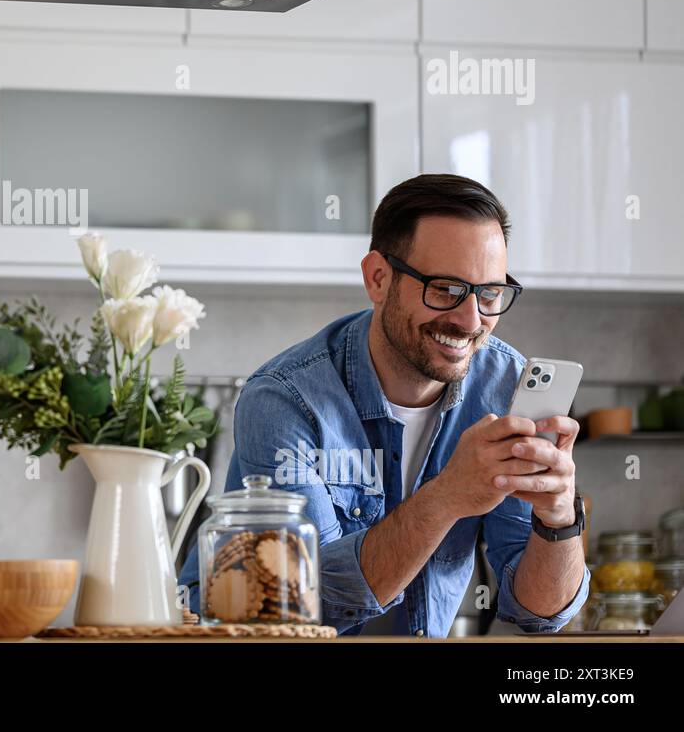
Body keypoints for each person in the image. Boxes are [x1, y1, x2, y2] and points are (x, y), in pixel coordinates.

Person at [178, 173, 589, 636]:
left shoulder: (502, 387)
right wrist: (448, 496)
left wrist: (559, 519)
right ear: (378, 278)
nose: (471, 320)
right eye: (445, 288)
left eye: (489, 293)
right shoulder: (285, 399)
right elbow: (306, 608)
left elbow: (537, 613)